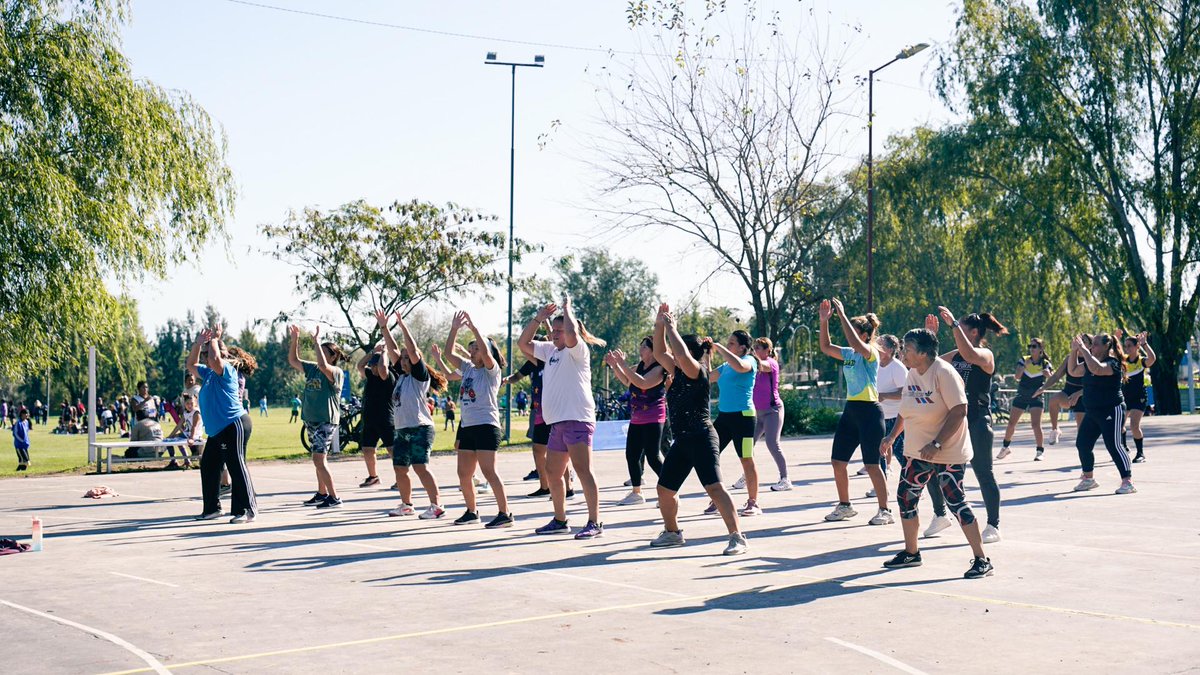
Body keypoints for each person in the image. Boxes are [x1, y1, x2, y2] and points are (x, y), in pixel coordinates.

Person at [879, 328, 994, 579]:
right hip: (918, 451)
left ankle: (982, 560)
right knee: (906, 497)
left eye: (908, 349)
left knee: (956, 501)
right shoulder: (912, 373)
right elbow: (905, 410)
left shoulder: (944, 373)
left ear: (923, 353)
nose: (903, 353)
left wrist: (937, 444)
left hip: (947, 451)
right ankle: (911, 553)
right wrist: (891, 437)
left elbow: (959, 411)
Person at [646, 303, 748, 555]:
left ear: (690, 352)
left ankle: (737, 537)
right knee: (664, 490)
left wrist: (672, 328)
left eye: (678, 350)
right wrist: (659, 324)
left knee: (714, 488)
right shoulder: (676, 371)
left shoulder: (697, 371)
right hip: (682, 441)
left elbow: (680, 356)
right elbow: (659, 351)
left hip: (702, 437)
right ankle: (672, 533)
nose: (672, 355)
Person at [520, 298, 607, 539]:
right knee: (552, 472)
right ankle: (560, 520)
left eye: (560, 330)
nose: (556, 333)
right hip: (557, 423)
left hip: (577, 419)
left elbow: (571, 334)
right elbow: (523, 343)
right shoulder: (549, 351)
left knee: (583, 470)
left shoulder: (577, 350)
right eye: (554, 330)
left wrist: (567, 309)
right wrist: (538, 319)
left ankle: (594, 522)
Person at [927, 307, 1006, 544]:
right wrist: (931, 338)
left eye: (960, 328)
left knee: (983, 473)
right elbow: (930, 364)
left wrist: (953, 325)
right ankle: (940, 515)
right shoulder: (955, 356)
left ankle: (993, 525)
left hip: (977, 420)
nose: (955, 332)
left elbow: (970, 355)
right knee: (934, 468)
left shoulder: (985, 355)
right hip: (954, 421)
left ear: (972, 332)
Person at [818, 298, 892, 525]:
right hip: (851, 411)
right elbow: (826, 347)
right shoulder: (849, 353)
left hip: (870, 412)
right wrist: (824, 321)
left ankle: (885, 510)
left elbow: (855, 342)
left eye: (855, 331)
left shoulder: (871, 352)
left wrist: (842, 316)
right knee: (838, 462)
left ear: (866, 335)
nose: (850, 335)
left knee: (872, 465)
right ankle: (845, 506)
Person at [442, 311, 512, 528]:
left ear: (486, 352)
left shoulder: (492, 371)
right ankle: (472, 512)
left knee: (489, 471)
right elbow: (448, 353)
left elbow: (487, 355)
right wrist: (454, 328)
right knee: (464, 473)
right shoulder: (468, 368)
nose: (472, 352)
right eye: (471, 349)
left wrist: (474, 329)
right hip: (467, 426)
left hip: (486, 426)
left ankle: (505, 514)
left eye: (476, 349)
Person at [377, 310, 448, 520]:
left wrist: (403, 326)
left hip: (420, 428)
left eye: (408, 358)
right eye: (403, 358)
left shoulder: (419, 376)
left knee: (420, 467)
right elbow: (393, 350)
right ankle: (407, 505)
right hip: (402, 429)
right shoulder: (401, 377)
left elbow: (412, 349)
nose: (404, 360)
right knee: (400, 468)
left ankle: (437, 506)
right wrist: (384, 327)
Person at [188, 325, 258, 524]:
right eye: (204, 354)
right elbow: (190, 364)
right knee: (209, 466)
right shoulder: (208, 373)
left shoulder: (227, 369)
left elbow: (215, 359)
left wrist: (215, 339)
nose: (205, 357)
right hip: (217, 431)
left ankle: (247, 510)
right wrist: (198, 344)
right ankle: (212, 509)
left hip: (233, 425)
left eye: (208, 352)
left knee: (236, 465)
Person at [288, 324, 346, 509]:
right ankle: (322, 493)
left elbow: (323, 365)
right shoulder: (312, 368)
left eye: (322, 351)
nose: (318, 353)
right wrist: (295, 340)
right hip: (311, 420)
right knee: (319, 459)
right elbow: (293, 360)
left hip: (326, 421)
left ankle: (334, 497)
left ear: (333, 356)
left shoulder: (336, 372)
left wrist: (316, 341)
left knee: (318, 459)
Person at [707, 330, 763, 516]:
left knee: (746, 458)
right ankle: (718, 499)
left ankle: (753, 503)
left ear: (742, 348)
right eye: (727, 342)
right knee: (709, 455)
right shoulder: (725, 366)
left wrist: (719, 347)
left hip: (744, 417)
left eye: (731, 343)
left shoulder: (749, 361)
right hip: (724, 417)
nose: (728, 345)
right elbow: (707, 377)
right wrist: (707, 355)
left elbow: (739, 366)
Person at [604, 337, 666, 506]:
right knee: (632, 455)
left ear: (653, 350)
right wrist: (615, 366)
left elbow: (643, 383)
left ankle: (670, 491)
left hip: (653, 417)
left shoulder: (659, 369)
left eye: (644, 347)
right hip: (637, 418)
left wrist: (622, 364)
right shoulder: (638, 367)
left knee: (653, 457)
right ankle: (636, 493)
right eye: (641, 346)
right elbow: (627, 380)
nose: (641, 349)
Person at [1072, 333, 1136, 494]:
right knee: (1083, 444)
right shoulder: (1089, 362)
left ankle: (1127, 482)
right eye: (1091, 344)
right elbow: (1073, 370)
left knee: (1114, 445)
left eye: (1095, 344)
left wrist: (1083, 349)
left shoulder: (1112, 363)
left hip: (1111, 409)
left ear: (1106, 346)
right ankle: (1088, 479)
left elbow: (1097, 369)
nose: (1092, 347)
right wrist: (1074, 351)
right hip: (1092, 411)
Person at [356, 341, 397, 489]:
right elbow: (360, 365)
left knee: (392, 449)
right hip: (370, 419)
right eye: (372, 365)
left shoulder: (389, 376)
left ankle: (401, 477)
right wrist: (373, 352)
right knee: (368, 449)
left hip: (385, 419)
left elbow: (383, 368)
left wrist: (385, 352)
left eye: (375, 365)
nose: (373, 368)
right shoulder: (370, 375)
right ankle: (373, 477)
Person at [750, 337, 789, 491]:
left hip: (772, 411)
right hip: (758, 413)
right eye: (754, 348)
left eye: (758, 348)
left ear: (768, 350)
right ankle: (748, 475)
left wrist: (748, 356)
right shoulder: (753, 365)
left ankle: (785, 479)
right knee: (747, 444)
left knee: (772, 443)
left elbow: (761, 365)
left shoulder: (771, 363)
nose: (755, 350)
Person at [873, 334, 907, 496]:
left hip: (897, 419)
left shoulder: (897, 368)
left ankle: (913, 486)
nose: (875, 347)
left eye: (879, 345)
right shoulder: (875, 364)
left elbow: (905, 393)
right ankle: (881, 488)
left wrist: (884, 396)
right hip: (879, 416)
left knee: (902, 455)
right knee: (879, 453)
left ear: (889, 349)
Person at [1118, 330, 1155, 463]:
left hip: (1139, 397)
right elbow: (1112, 354)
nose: (1127, 348)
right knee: (1119, 426)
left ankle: (1140, 453)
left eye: (1129, 346)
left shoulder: (1140, 361)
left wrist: (1145, 344)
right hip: (1125, 397)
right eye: (1125, 346)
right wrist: (1115, 339)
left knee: (1134, 425)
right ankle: (1124, 448)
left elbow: (1152, 359)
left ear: (1136, 346)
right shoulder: (1123, 360)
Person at [1044, 348, 1086, 445]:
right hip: (1068, 393)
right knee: (1053, 400)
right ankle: (1055, 429)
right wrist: (1043, 387)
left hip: (1084, 394)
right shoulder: (1069, 358)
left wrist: (1079, 393)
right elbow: (1056, 376)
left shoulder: (1092, 360)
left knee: (1082, 434)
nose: (1080, 345)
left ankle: (1084, 450)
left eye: (1084, 342)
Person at [165, 393, 204, 469]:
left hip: (195, 435)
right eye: (187, 403)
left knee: (198, 454)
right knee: (168, 441)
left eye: (192, 403)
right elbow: (179, 425)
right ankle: (175, 461)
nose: (189, 405)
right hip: (187, 434)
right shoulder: (185, 412)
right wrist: (170, 435)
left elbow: (194, 427)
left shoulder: (196, 413)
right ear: (184, 404)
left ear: (195, 403)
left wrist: (191, 438)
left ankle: (189, 461)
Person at [130, 381, 164, 453]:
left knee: (151, 440)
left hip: (151, 424)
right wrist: (145, 401)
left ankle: (152, 453)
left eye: (146, 387)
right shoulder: (135, 399)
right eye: (143, 387)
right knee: (138, 442)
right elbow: (135, 409)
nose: (145, 389)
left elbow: (153, 411)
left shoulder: (151, 398)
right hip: (140, 424)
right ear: (139, 389)